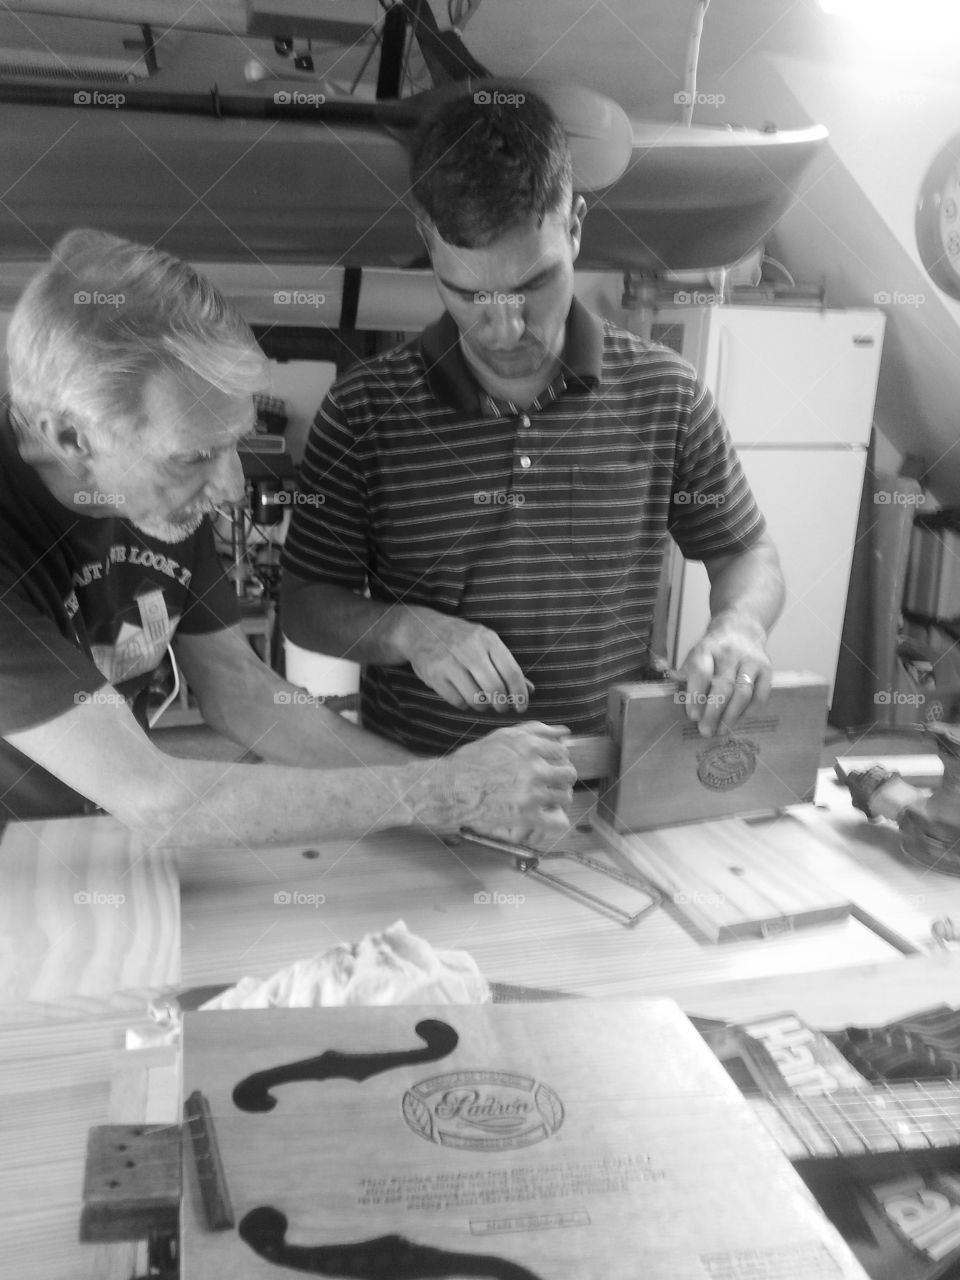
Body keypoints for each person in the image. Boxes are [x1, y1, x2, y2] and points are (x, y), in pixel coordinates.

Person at [0, 228, 575, 849]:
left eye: (233, 444)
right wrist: (450, 791)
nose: (227, 486)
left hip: (97, 849)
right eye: (195, 456)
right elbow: (156, 797)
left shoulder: (157, 497)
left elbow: (242, 692)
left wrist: (447, 791)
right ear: (70, 440)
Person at [280, 89, 785, 757]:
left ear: (574, 225)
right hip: (427, 796)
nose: (507, 328)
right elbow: (305, 604)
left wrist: (740, 624)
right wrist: (405, 629)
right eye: (470, 295)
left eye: (533, 285)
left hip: (601, 788)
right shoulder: (362, 412)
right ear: (427, 241)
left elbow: (746, 553)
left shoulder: (669, 396)